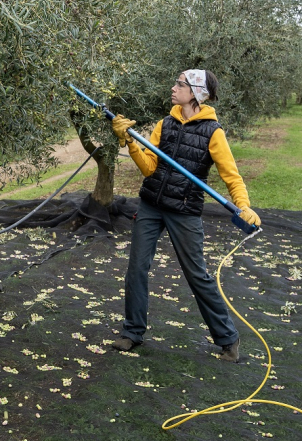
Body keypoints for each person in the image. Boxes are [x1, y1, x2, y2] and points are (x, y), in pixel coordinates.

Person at [109, 69, 261, 363]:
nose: (173, 88)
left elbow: (231, 175)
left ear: (194, 92)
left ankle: (228, 339)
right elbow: (149, 168)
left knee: (197, 274)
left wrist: (244, 205)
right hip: (151, 205)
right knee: (136, 268)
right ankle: (132, 332)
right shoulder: (164, 124)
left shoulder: (213, 132)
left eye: (180, 84)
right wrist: (130, 142)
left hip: (184, 210)